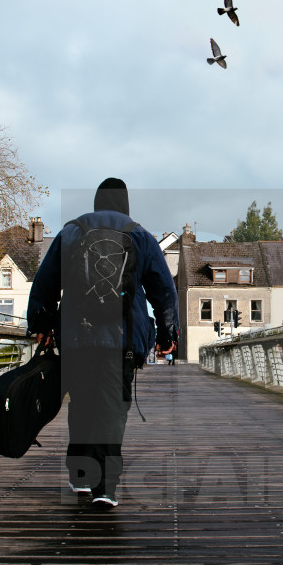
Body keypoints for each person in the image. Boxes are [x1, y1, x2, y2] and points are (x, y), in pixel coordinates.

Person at [27, 178, 178, 508]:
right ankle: (105, 486)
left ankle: (81, 476)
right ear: (125, 203)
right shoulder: (139, 234)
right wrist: (168, 336)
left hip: (76, 334)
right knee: (112, 408)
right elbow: (164, 291)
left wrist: (40, 323)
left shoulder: (72, 231)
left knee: (81, 403)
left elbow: (46, 280)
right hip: (122, 338)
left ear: (97, 201)